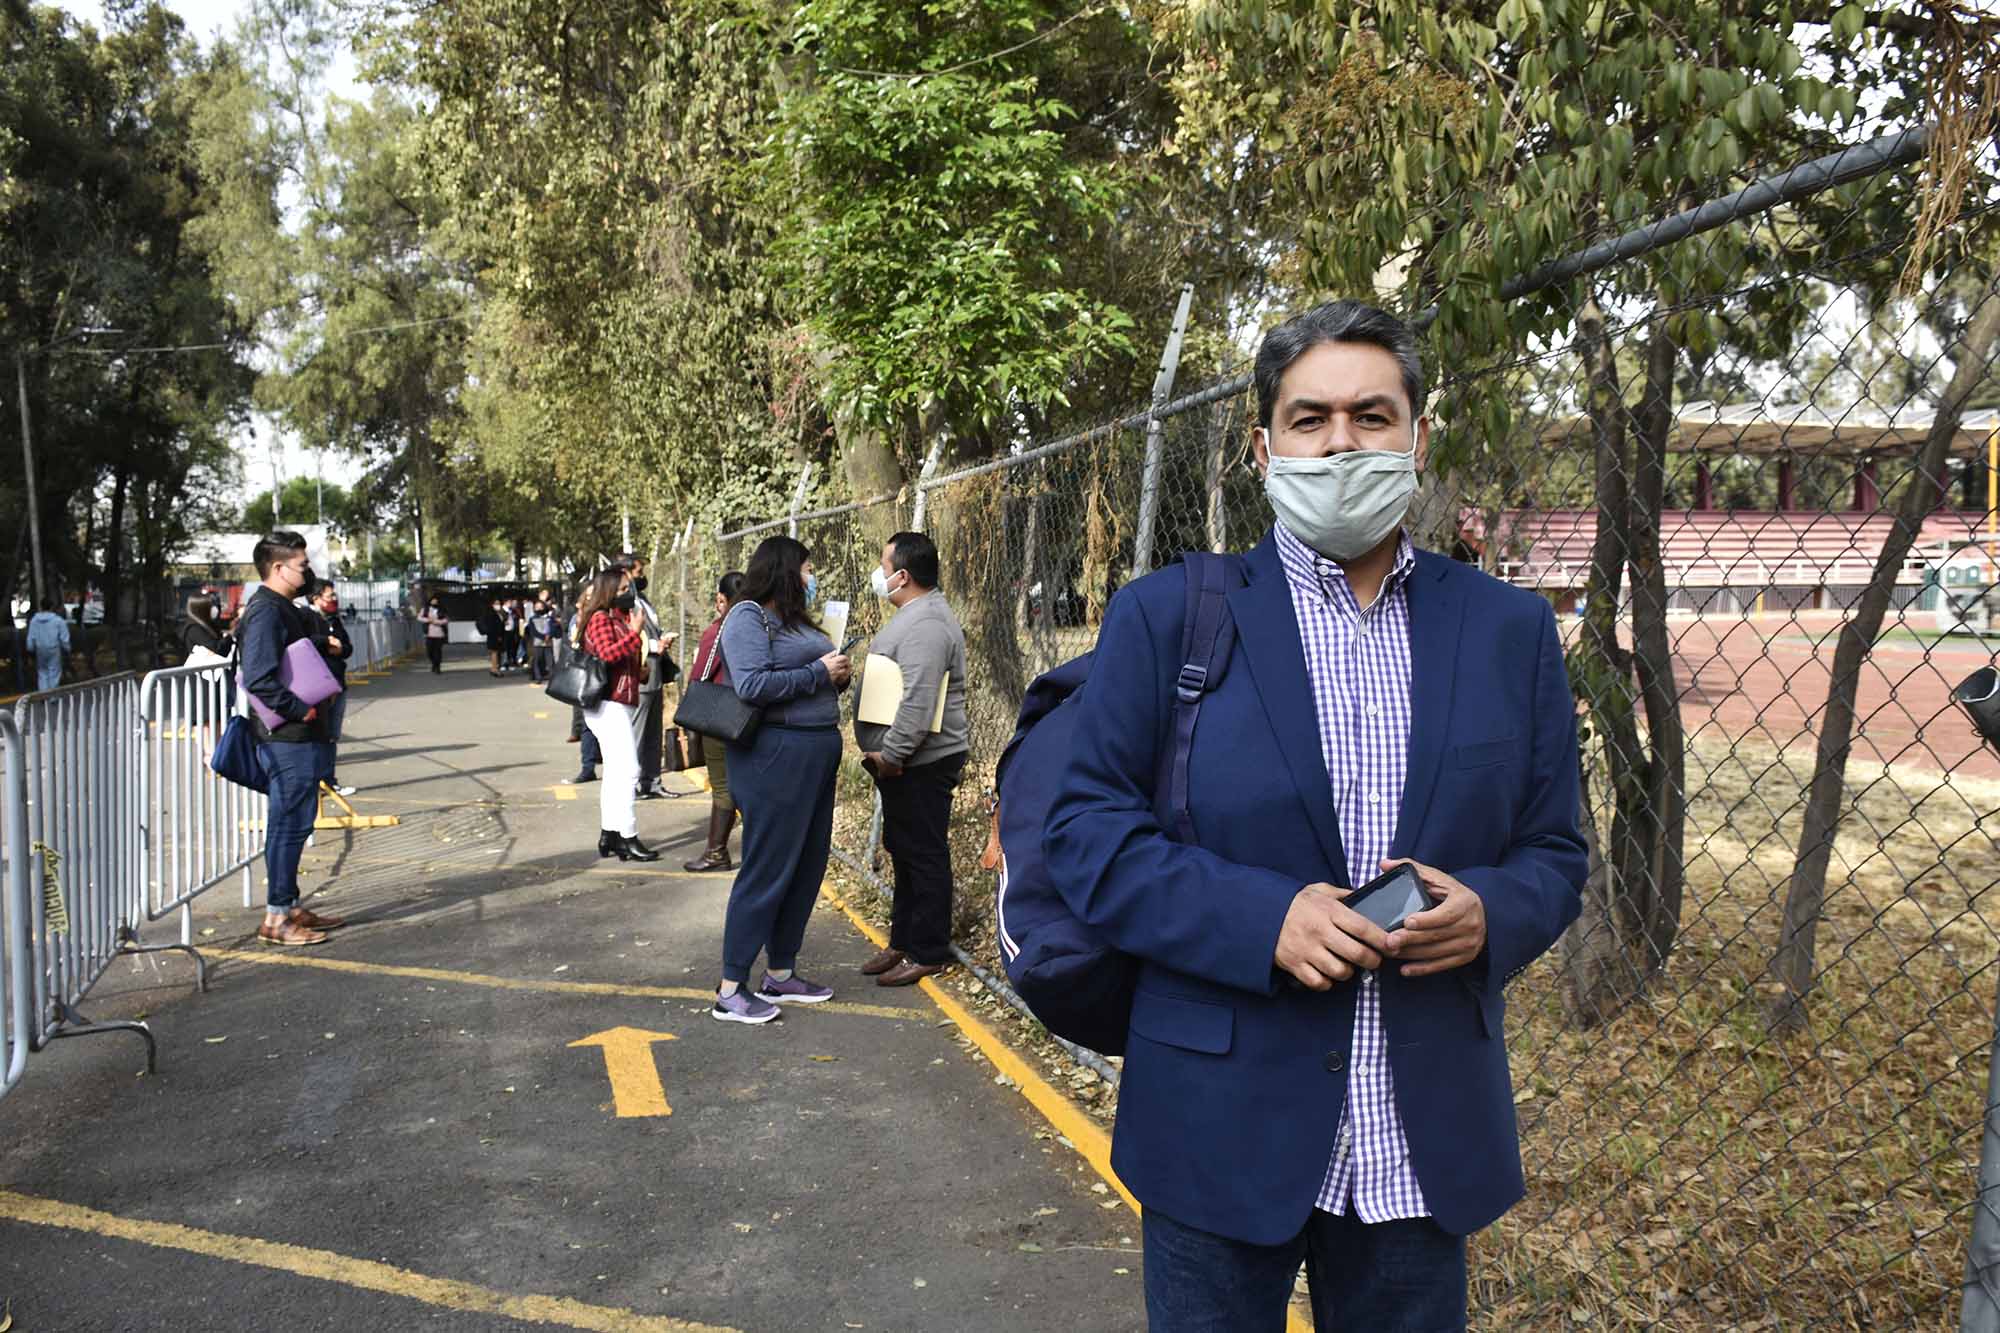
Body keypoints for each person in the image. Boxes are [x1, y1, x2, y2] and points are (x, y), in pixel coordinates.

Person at [1044, 300, 1587, 1331]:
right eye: (1309, 419)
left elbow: (1554, 849)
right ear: (1263, 446)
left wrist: (1491, 913)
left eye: (1371, 415)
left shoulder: (1506, 630)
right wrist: (1264, 920)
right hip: (1216, 1126)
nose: (1341, 441)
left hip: (1417, 1137)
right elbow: (1085, 831)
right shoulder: (1167, 616)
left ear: (1417, 437)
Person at [712, 536, 852, 1024]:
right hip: (774, 756)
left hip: (814, 752)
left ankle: (781, 972)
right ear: (784, 570)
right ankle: (731, 988)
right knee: (768, 867)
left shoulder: (793, 620)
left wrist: (837, 674)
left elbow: (811, 672)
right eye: (807, 569)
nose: (812, 578)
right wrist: (817, 672)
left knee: (807, 865)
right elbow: (751, 685)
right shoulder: (747, 616)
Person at [857, 533, 970, 986]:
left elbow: (919, 700)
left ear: (902, 575)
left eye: (884, 566)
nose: (879, 574)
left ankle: (929, 949)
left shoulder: (926, 624)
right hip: (903, 762)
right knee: (903, 850)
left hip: (918, 762)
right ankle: (903, 940)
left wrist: (893, 754)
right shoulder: (916, 615)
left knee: (923, 853)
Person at [238, 531, 347, 947]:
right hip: (286, 735)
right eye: (301, 564)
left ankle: (289, 904)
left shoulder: (284, 607)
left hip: (302, 733)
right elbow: (259, 677)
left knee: (298, 821)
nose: (307, 570)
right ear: (279, 568)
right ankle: (277, 917)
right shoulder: (265, 610)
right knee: (287, 824)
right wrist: (299, 709)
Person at [576, 568, 659, 862]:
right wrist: (635, 633)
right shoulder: (599, 619)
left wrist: (645, 663)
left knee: (615, 772)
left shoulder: (614, 618)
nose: (630, 592)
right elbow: (607, 655)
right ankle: (627, 836)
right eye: (623, 588)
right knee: (629, 770)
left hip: (617, 701)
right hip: (606, 704)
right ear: (609, 590)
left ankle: (609, 835)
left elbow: (621, 660)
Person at [682, 571, 746, 872]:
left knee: (722, 786)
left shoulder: (719, 631)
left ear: (722, 599)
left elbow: (701, 674)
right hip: (753, 716)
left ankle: (716, 853)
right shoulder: (763, 626)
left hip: (720, 716)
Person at [615, 552, 680, 800]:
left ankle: (651, 781)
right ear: (626, 573)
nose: (643, 577)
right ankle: (631, 783)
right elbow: (627, 635)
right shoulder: (624, 603)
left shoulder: (642, 600)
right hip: (640, 668)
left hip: (654, 669)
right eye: (639, 572)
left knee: (653, 730)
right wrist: (654, 646)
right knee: (638, 730)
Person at [307, 581, 356, 797]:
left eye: (335, 596)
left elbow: (347, 647)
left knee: (331, 735)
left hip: (339, 682)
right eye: (329, 596)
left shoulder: (334, 619)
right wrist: (326, 642)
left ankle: (329, 779)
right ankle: (315, 781)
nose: (334, 600)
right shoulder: (305, 618)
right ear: (316, 598)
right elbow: (304, 643)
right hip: (319, 686)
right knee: (318, 734)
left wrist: (339, 648)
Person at [24, 598, 70, 692]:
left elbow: (31, 636)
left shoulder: (34, 620)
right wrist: (67, 648)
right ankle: (53, 696)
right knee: (54, 671)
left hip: (40, 649)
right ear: (52, 607)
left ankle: (43, 694)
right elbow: (64, 637)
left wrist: (30, 648)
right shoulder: (58, 620)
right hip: (54, 649)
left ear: (41, 606)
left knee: (42, 672)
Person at [179, 595, 231, 661]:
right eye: (210, 607)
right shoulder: (194, 629)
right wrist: (230, 636)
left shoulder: (207, 624)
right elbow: (218, 649)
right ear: (202, 610)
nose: (214, 609)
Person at [527, 596, 560, 683]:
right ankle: (538, 677)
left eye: (540, 606)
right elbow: (533, 631)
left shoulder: (549, 618)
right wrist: (543, 637)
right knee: (538, 660)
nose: (539, 608)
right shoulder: (532, 619)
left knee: (550, 661)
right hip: (537, 643)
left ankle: (553, 677)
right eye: (537, 607)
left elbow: (554, 627)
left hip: (548, 643)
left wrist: (549, 635)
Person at [420, 596, 449, 673]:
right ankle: (434, 663)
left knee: (437, 651)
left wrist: (437, 622)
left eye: (436, 601)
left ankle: (437, 667)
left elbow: (446, 620)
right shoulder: (425, 609)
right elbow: (419, 617)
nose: (434, 602)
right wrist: (427, 620)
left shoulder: (442, 609)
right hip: (428, 634)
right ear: (430, 601)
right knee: (429, 651)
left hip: (439, 634)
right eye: (433, 601)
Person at [480, 597, 507, 676]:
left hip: (498, 635)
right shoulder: (491, 614)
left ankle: (494, 668)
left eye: (499, 604)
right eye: (496, 604)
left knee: (496, 653)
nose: (497, 605)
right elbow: (494, 626)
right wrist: (498, 635)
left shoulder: (500, 612)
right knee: (494, 652)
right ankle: (495, 669)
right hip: (494, 636)